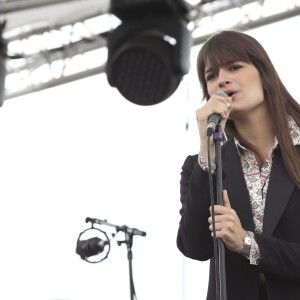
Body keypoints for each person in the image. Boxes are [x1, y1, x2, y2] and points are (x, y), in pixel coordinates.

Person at [176, 30, 300, 300]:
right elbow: (195, 247)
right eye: (211, 76)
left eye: (234, 67)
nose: (222, 79)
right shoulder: (201, 165)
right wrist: (207, 154)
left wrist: (247, 243)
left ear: (264, 73)